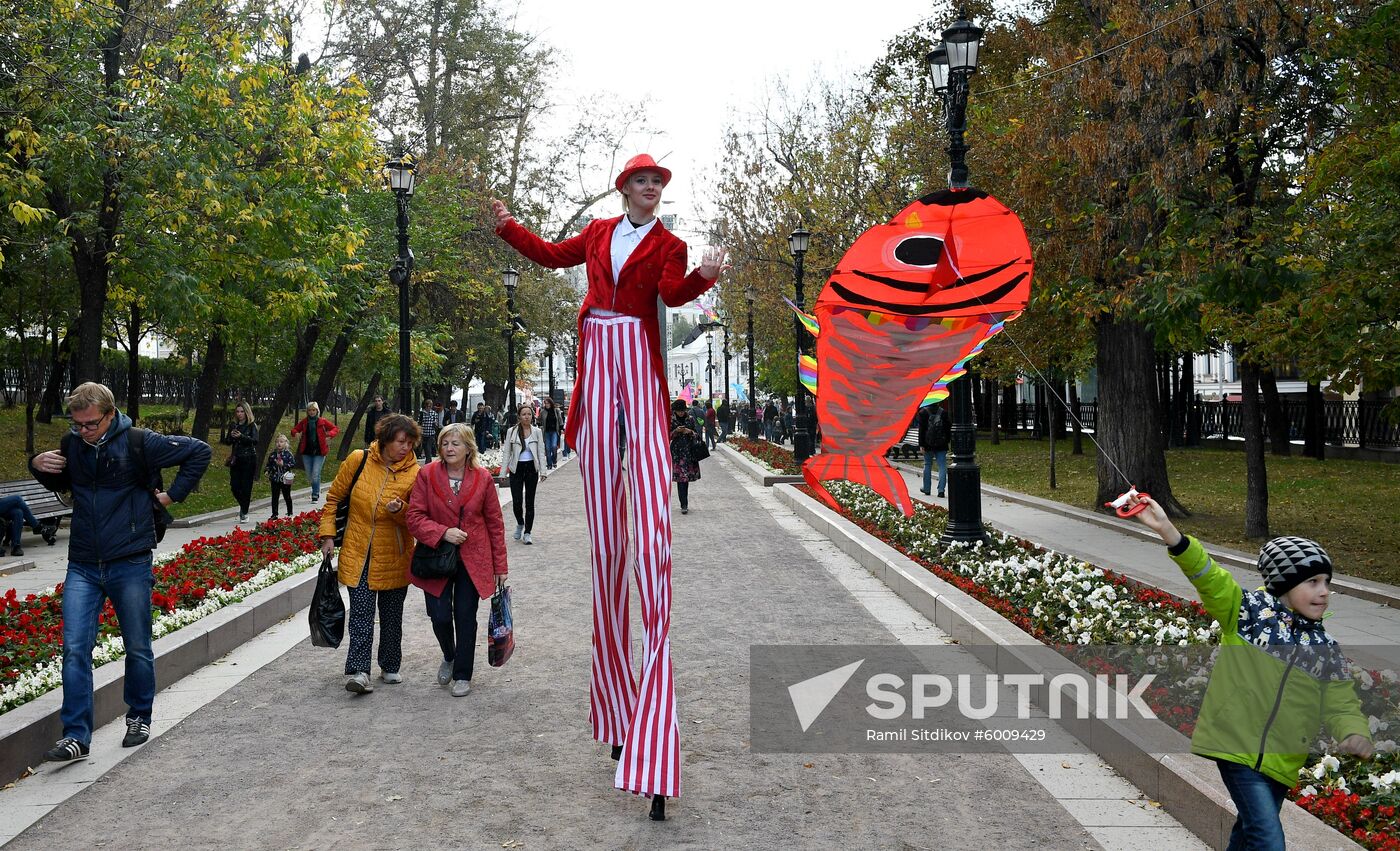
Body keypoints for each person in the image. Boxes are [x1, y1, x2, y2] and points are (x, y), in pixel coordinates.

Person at [492, 152, 727, 819]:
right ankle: (616, 706)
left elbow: (675, 297)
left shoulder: (670, 244)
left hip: (639, 370)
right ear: (626, 187)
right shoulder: (597, 233)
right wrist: (509, 226)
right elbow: (547, 253)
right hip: (599, 363)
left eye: (659, 183)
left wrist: (705, 274)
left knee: (647, 549)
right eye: (643, 182)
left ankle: (652, 718)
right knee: (607, 557)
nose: (652, 189)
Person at [1126, 493, 1373, 849]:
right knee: (1268, 840)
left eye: (1326, 583)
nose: (1324, 592)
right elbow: (1208, 576)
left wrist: (1353, 731)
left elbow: (1340, 701)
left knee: (1246, 838)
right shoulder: (1247, 613)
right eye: (1313, 582)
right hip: (1237, 748)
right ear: (1286, 585)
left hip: (1282, 762)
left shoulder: (1326, 648)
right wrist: (1169, 532)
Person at [29, 382, 211, 762]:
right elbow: (65, 482)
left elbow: (199, 451)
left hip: (129, 560)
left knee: (138, 645)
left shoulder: (139, 442)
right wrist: (37, 466)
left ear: (111, 414)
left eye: (91, 424)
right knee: (74, 648)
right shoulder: (73, 443)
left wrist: (171, 495)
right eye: (77, 424)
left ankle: (139, 716)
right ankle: (76, 735)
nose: (83, 431)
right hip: (82, 562)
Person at [318, 413, 421, 694]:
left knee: (391, 616)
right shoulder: (358, 460)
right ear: (386, 439)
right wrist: (328, 535)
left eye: (410, 443)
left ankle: (390, 664)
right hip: (358, 549)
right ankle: (359, 671)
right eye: (401, 441)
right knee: (361, 615)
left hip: (394, 555)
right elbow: (335, 498)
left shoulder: (416, 473)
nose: (405, 448)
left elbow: (417, 519)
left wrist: (400, 511)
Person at [406, 423, 508, 697]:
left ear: (468, 448)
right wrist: (443, 532)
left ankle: (463, 674)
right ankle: (449, 655)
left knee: (465, 616)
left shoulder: (483, 477)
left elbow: (495, 523)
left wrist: (500, 566)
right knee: (439, 616)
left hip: (472, 558)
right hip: (436, 555)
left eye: (456, 443)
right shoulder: (427, 475)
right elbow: (414, 517)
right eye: (445, 443)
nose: (449, 448)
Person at [502, 405, 548, 545]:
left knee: (529, 502)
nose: (527, 416)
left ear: (532, 416)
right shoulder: (512, 431)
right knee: (517, 502)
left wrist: (543, 471)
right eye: (524, 414)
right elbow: (507, 452)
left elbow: (541, 452)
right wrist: (503, 471)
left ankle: (527, 532)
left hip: (531, 468)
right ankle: (520, 523)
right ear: (519, 416)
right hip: (517, 468)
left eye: (529, 414)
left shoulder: (537, 432)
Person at [292, 402, 338, 503]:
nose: (312, 412)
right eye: (310, 410)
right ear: (307, 411)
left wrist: (329, 434)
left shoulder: (322, 421)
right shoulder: (304, 422)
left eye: (314, 410)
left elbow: (335, 429)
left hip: (320, 451)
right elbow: (294, 429)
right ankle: (317, 487)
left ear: (317, 411)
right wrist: (295, 433)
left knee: (315, 473)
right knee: (310, 475)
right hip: (307, 452)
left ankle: (315, 494)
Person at [221, 402, 259, 522]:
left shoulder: (252, 425)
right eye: (237, 411)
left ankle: (244, 512)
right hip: (236, 459)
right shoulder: (234, 425)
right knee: (235, 486)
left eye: (242, 411)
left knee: (246, 486)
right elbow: (227, 442)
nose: (239, 414)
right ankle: (244, 504)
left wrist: (241, 436)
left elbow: (255, 441)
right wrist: (232, 436)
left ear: (247, 412)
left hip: (249, 459)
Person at [669, 399, 702, 515]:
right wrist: (676, 431)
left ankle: (684, 503)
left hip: (688, 452)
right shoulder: (671, 420)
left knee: (685, 479)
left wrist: (690, 432)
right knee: (681, 479)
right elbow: (667, 436)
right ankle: (684, 504)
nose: (681, 413)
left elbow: (697, 435)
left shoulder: (690, 419)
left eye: (682, 411)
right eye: (679, 411)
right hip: (677, 453)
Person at [917, 402, 951, 498]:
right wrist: (947, 441)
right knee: (942, 466)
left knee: (927, 464)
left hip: (928, 444)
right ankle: (941, 490)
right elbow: (948, 428)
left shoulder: (923, 412)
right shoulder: (943, 412)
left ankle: (927, 488)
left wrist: (921, 444)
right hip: (941, 444)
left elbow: (921, 430)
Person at [264, 434, 297, 520]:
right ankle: (274, 514)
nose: (279, 444)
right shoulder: (273, 454)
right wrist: (267, 471)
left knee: (287, 495)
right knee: (275, 496)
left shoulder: (288, 454)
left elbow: (293, 464)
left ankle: (290, 512)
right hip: (275, 478)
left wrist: (284, 465)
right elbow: (269, 464)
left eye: (281, 442)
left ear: (285, 443)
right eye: (277, 442)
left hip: (286, 478)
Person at [540, 396, 563, 469]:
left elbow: (560, 420)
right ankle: (549, 464)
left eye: (548, 403)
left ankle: (554, 461)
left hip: (554, 431)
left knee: (553, 446)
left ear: (551, 403)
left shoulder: (556, 410)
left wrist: (561, 428)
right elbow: (539, 420)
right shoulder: (542, 411)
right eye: (545, 403)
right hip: (546, 432)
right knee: (547, 448)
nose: (547, 405)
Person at [417, 398, 440, 462]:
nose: (428, 407)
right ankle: (428, 460)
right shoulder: (422, 413)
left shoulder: (434, 413)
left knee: (428, 448)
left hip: (431, 433)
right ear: (425, 406)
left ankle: (428, 461)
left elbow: (436, 423)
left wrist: (435, 424)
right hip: (424, 434)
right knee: (425, 447)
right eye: (427, 406)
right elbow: (419, 422)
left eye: (430, 406)